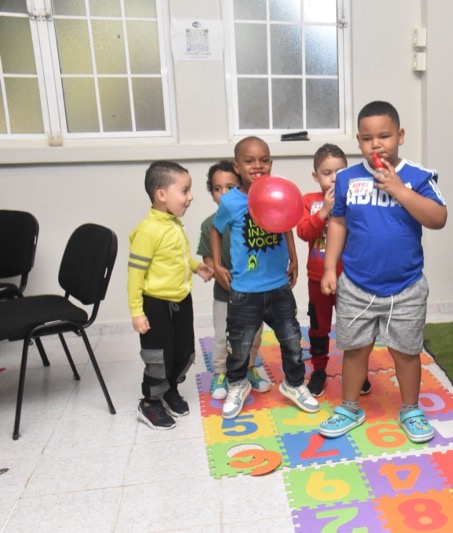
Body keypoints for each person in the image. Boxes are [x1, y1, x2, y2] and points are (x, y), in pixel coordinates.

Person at [317, 100, 447, 443]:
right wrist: (331, 267)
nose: (376, 144)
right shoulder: (346, 178)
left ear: (400, 136)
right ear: (359, 141)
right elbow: (338, 223)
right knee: (355, 349)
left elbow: (438, 218)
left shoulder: (418, 176)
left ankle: (410, 408)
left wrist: (400, 190)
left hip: (406, 285)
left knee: (406, 351)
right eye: (367, 138)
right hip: (357, 284)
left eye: (385, 136)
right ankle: (349, 406)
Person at [211, 136, 318, 419]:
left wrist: (294, 257)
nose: (258, 166)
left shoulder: (277, 191)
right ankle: (237, 384)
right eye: (249, 161)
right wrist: (218, 265)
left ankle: (294, 384)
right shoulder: (231, 202)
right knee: (240, 344)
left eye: (264, 159)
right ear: (237, 166)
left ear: (271, 162)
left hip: (279, 286)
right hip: (245, 290)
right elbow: (215, 228)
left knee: (293, 339)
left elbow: (287, 225)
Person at [128, 161, 214, 430]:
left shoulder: (174, 224)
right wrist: (136, 311)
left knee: (183, 350)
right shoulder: (147, 230)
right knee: (158, 356)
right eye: (185, 191)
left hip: (180, 300)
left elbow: (176, 257)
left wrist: (195, 266)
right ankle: (150, 403)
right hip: (155, 304)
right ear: (161, 194)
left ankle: (170, 389)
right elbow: (135, 274)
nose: (190, 197)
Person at [296, 144, 372, 397]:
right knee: (319, 327)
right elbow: (304, 232)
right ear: (315, 176)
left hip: (350, 278)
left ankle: (358, 372)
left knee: (354, 326)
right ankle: (319, 370)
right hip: (317, 279)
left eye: (340, 172)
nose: (333, 178)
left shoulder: (355, 198)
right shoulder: (309, 201)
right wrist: (325, 211)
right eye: (327, 172)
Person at [197, 160, 270, 401]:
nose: (223, 193)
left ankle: (249, 368)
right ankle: (220, 372)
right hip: (225, 294)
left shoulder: (255, 216)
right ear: (212, 193)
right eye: (217, 189)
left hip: (253, 292)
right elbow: (210, 261)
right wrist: (230, 284)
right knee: (223, 335)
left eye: (230, 187)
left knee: (254, 334)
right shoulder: (210, 224)